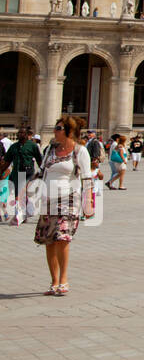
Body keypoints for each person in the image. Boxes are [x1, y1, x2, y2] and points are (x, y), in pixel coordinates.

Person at [31, 116, 93, 297]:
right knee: (49, 241)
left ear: (68, 131)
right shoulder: (50, 149)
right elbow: (41, 172)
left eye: (58, 128)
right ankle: (54, 281)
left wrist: (88, 202)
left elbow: (87, 178)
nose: (54, 131)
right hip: (47, 200)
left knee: (62, 238)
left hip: (68, 200)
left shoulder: (80, 151)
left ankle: (64, 279)